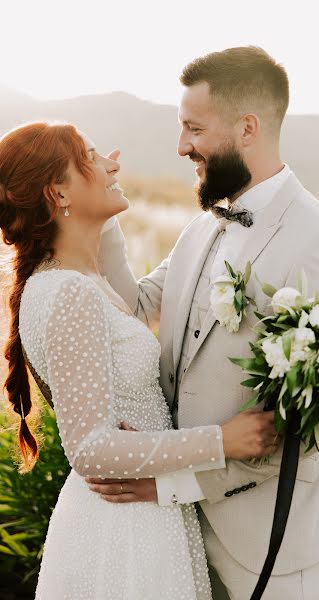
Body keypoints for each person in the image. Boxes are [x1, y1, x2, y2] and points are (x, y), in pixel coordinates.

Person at [89, 47, 319, 599]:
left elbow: (303, 431)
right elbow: (139, 305)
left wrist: (168, 483)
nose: (181, 146)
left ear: (247, 128)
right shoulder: (204, 225)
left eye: (194, 128)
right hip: (181, 531)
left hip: (269, 541)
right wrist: (103, 219)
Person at [0, 121, 279, 600]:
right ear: (58, 192)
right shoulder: (68, 293)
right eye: (91, 157)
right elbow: (91, 449)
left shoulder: (79, 282)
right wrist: (223, 441)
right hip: (122, 532)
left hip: (142, 518)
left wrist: (100, 206)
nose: (113, 162)